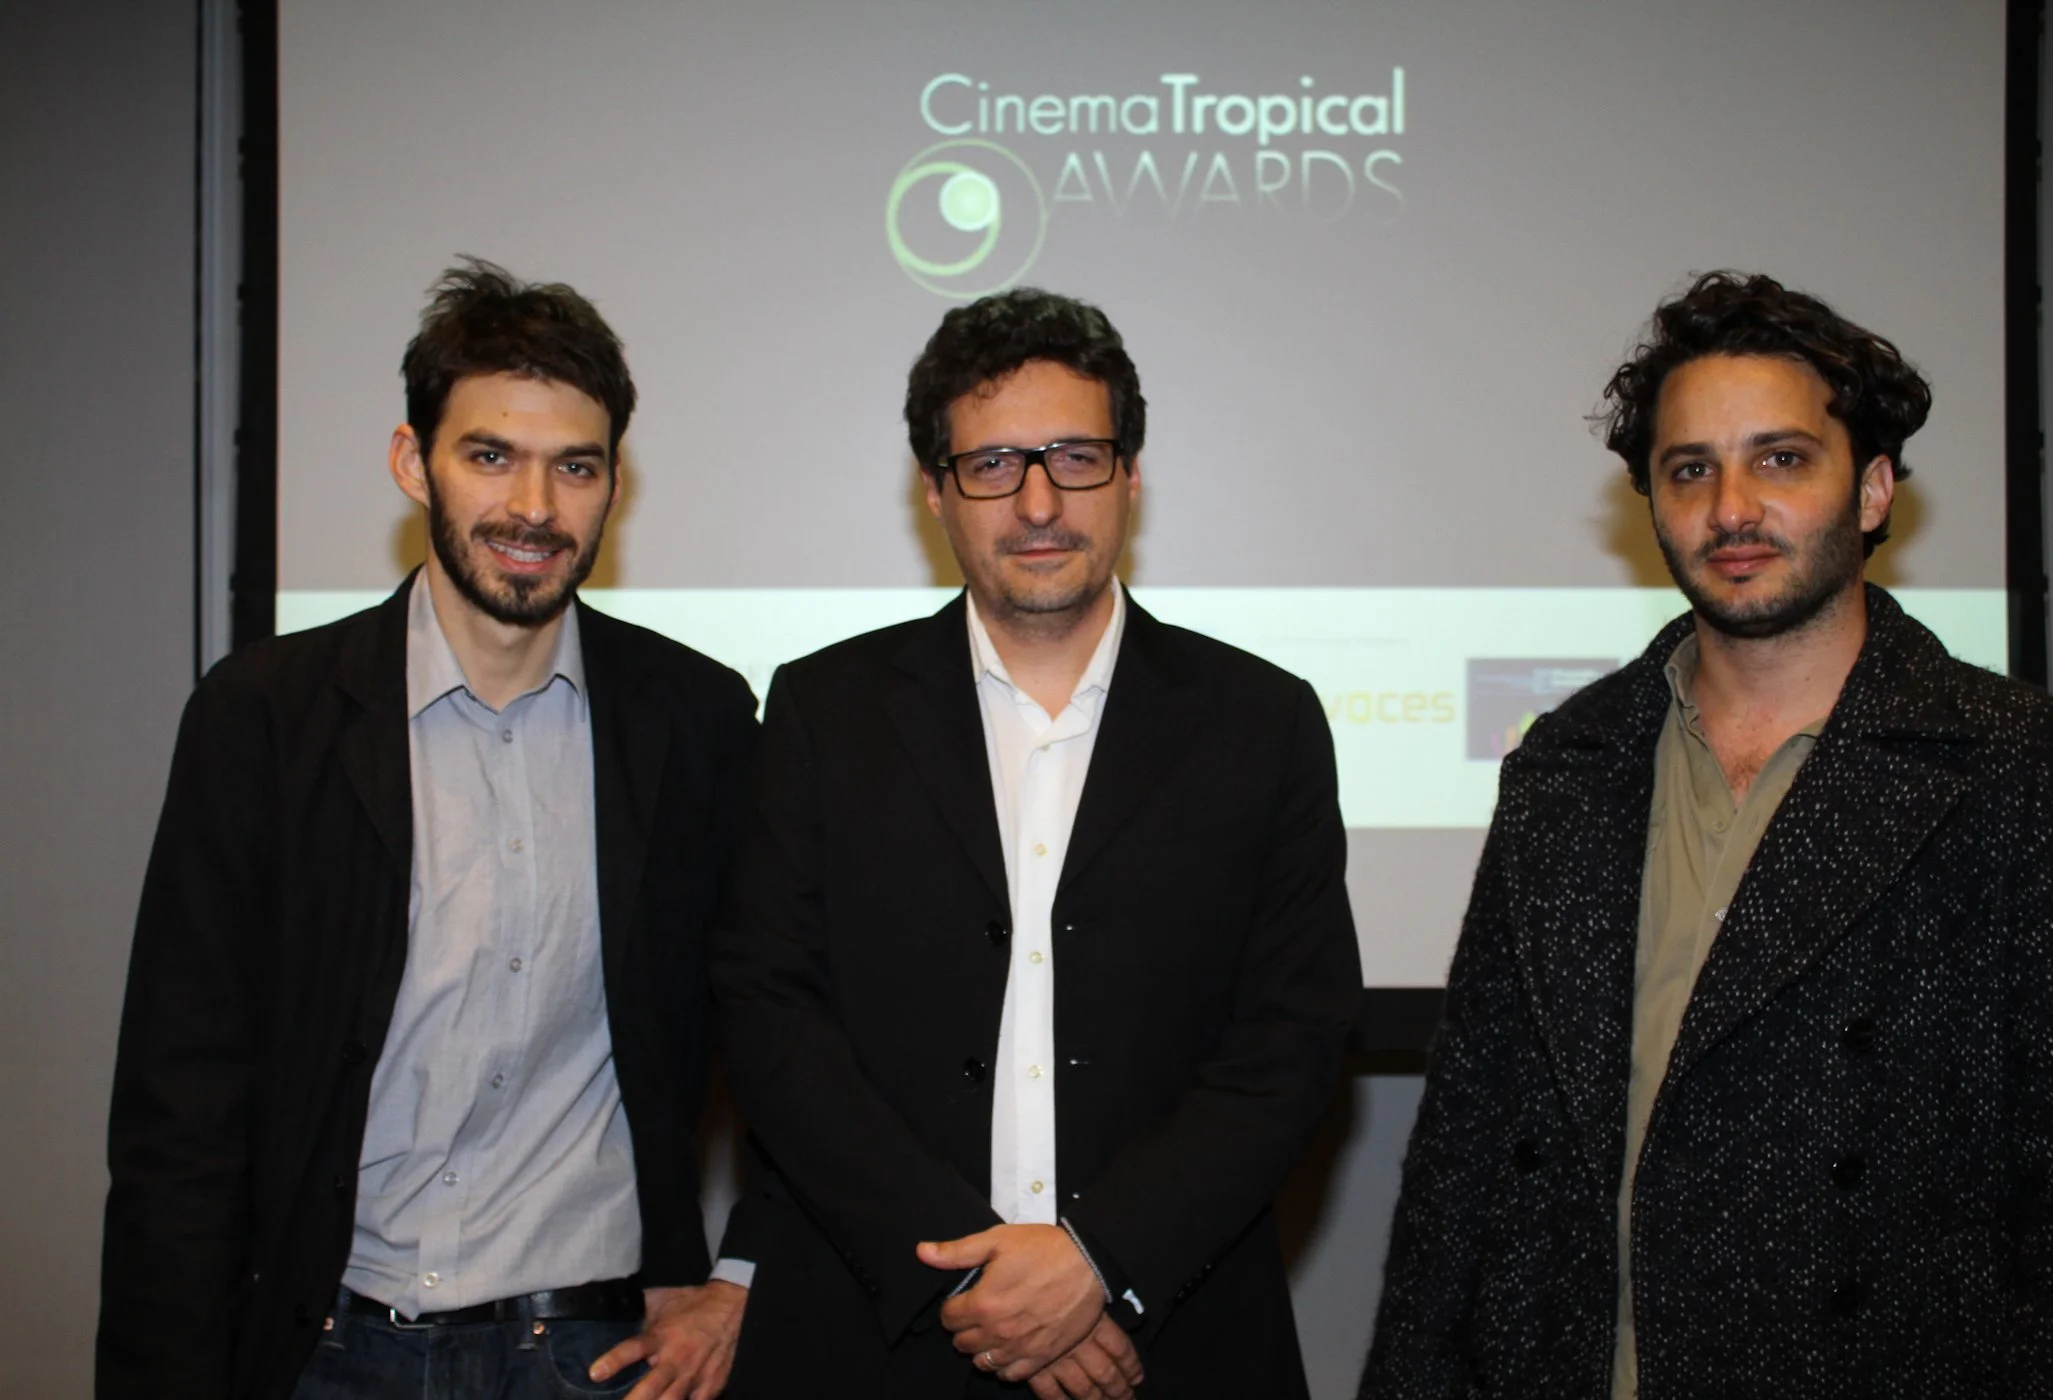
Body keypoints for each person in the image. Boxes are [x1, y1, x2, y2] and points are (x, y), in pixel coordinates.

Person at [1360, 271, 2053, 1398]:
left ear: (1872, 487)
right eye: (1690, 468)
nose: (1732, 507)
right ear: (1651, 501)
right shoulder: (1567, 762)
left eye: (1782, 458)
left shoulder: (2017, 764)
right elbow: (1464, 1147)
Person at [99, 260, 757, 1400]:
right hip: (326, 1348)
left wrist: (745, 1270)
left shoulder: (693, 720)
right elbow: (181, 1105)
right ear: (415, 462)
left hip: (593, 1353)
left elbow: (790, 1021)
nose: (536, 509)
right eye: (490, 454)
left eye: (576, 466)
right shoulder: (265, 715)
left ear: (615, 484)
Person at [712, 287, 1362, 1398]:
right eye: (995, 463)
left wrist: (1099, 1257)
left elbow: (1293, 1039)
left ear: (1132, 475)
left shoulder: (1262, 721)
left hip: (1168, 1342)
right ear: (935, 491)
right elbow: (769, 1012)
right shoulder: (826, 710)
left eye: (1075, 455)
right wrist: (963, 1273)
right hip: (876, 1335)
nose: (1040, 499)